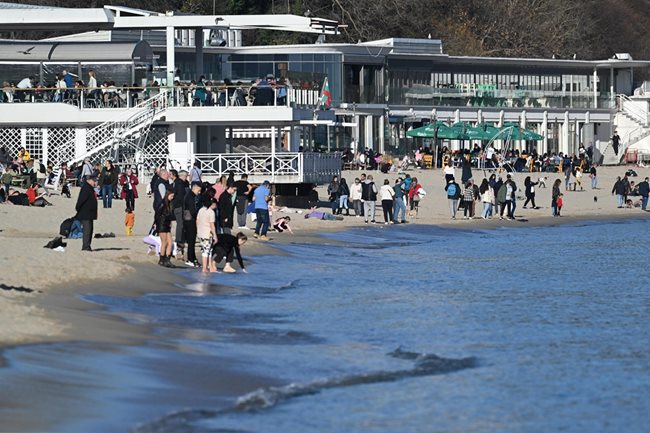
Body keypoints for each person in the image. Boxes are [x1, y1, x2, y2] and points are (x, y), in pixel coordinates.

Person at [75, 174, 98, 251]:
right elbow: (80, 200)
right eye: (94, 181)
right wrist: (78, 209)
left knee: (90, 230)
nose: (95, 182)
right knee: (87, 230)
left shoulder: (89, 188)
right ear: (89, 180)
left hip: (89, 213)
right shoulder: (86, 188)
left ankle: (87, 246)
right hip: (86, 213)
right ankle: (85, 246)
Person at [183, 182, 202, 267]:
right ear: (195, 188)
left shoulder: (190, 195)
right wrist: (198, 217)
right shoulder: (190, 196)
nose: (199, 192)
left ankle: (193, 258)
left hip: (188, 219)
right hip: (190, 220)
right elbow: (192, 210)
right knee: (191, 240)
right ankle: (190, 259)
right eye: (199, 190)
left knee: (192, 241)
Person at [155, 190, 176, 268]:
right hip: (162, 224)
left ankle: (167, 259)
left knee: (170, 242)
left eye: (173, 196)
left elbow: (170, 216)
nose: (172, 198)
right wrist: (156, 225)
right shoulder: (163, 204)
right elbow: (157, 215)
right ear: (167, 195)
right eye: (171, 196)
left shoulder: (170, 204)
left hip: (167, 224)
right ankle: (162, 260)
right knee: (164, 242)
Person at [197, 198, 218, 273]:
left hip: (200, 233)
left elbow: (197, 221)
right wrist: (215, 235)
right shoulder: (211, 212)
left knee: (208, 250)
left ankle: (210, 267)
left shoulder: (201, 209)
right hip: (207, 233)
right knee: (206, 251)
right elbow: (212, 225)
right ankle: (204, 268)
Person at [171, 170, 189, 257]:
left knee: (180, 224)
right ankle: (178, 241)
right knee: (180, 224)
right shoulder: (180, 183)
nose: (186, 178)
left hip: (177, 206)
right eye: (186, 176)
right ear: (183, 176)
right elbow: (181, 196)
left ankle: (179, 240)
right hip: (179, 206)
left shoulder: (176, 183)